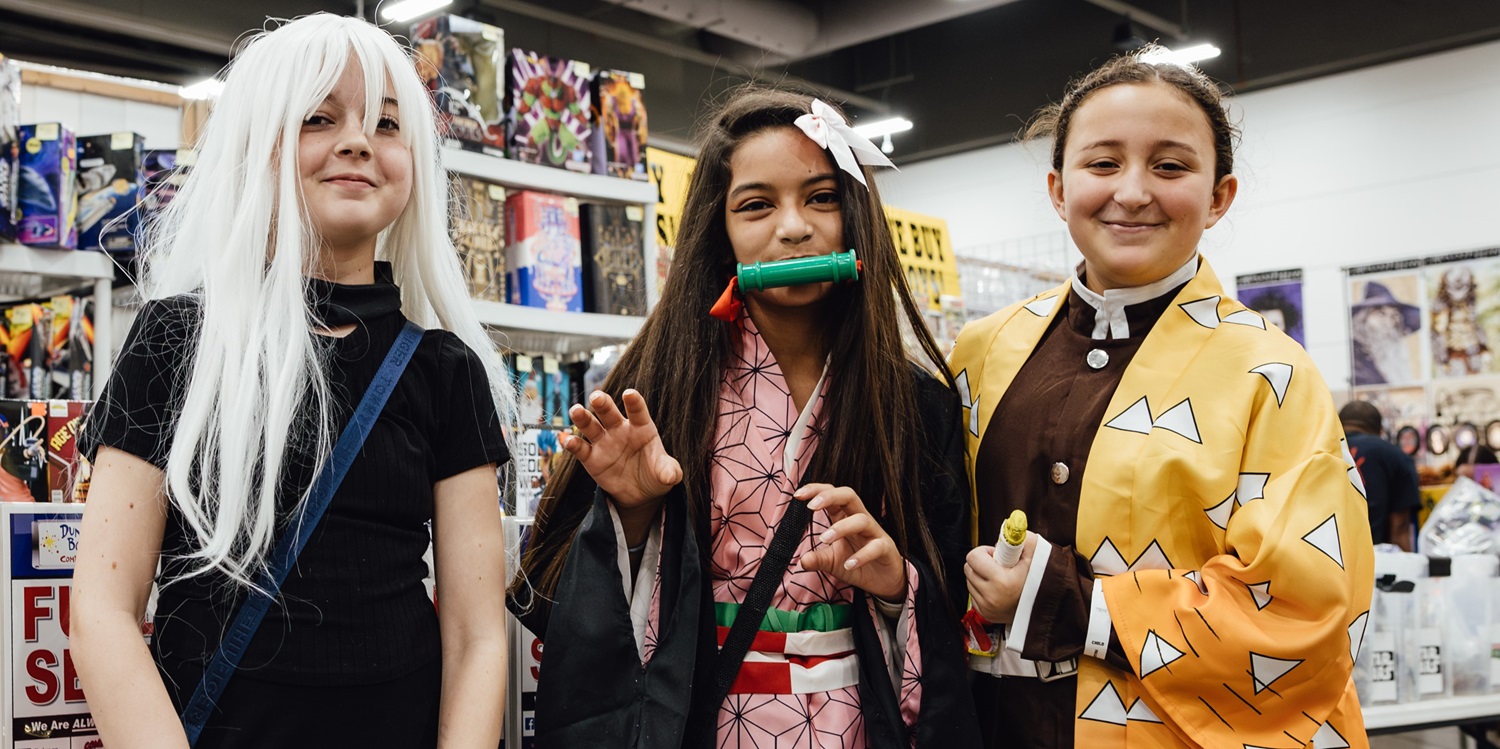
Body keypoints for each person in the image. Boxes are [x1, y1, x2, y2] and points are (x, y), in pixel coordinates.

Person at [69, 14, 511, 749]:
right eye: (318, 117)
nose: (358, 140)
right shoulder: (179, 340)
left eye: (387, 124)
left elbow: (477, 635)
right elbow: (104, 607)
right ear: (258, 144)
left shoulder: (445, 369)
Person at [508, 87, 980, 747]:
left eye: (821, 197)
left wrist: (898, 584)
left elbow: (956, 615)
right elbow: (552, 602)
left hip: (855, 723)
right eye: (756, 205)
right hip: (701, 722)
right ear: (718, 228)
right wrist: (632, 514)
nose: (793, 227)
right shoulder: (660, 389)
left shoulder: (913, 404)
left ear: (855, 216)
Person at [950, 49, 1374, 748]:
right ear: (1058, 189)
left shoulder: (1271, 373)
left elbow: (1307, 609)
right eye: (1103, 163)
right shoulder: (982, 349)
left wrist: (1068, 605)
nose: (1135, 191)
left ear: (1219, 196)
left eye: (1171, 166)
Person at [1339, 401, 1420, 551]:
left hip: (1326, 560)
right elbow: (1400, 527)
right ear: (1379, 430)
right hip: (1377, 562)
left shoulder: (1316, 454)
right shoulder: (1396, 457)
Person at [1350, 280, 1421, 385]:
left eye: (1393, 316)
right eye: (1380, 314)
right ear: (1362, 319)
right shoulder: (1354, 360)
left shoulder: (1396, 359)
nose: (1388, 322)